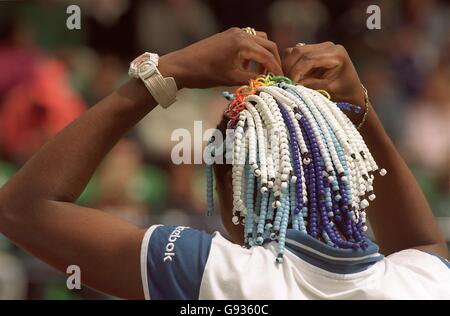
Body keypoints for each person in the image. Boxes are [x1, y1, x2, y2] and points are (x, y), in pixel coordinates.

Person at [0, 28, 448, 300]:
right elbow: (423, 245)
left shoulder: (216, 276)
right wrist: (358, 110)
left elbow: (23, 208)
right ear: (351, 170)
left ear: (238, 195)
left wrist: (166, 72)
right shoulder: (425, 283)